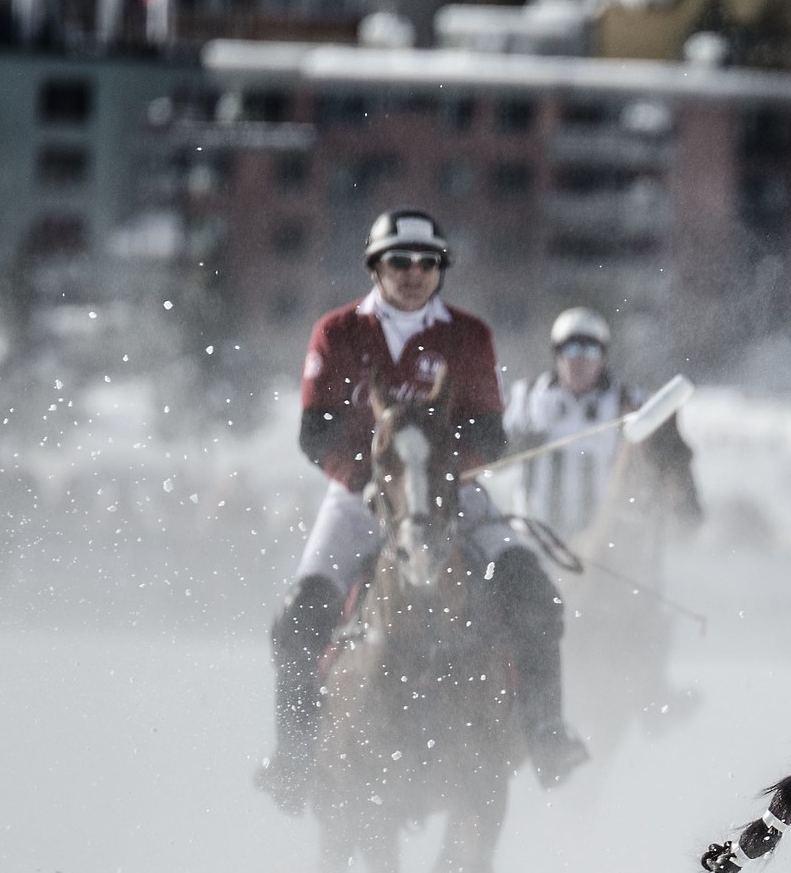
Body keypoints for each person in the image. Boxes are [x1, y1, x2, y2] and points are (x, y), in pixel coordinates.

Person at [255, 209, 588, 813]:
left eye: (427, 263)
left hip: (450, 493)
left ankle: (546, 734)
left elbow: (489, 435)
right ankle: (296, 759)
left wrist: (434, 476)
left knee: (533, 593)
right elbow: (314, 433)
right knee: (298, 618)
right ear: (376, 267)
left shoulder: (469, 335)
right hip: (360, 496)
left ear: (441, 270)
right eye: (400, 262)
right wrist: (368, 481)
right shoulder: (337, 333)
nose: (413, 274)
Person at [503, 306, 702, 538]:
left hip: (606, 546)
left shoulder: (630, 404)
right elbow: (491, 458)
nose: (579, 359)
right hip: (536, 540)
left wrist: (685, 505)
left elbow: (673, 459)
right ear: (557, 353)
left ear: (603, 355)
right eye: (571, 347)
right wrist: (514, 445)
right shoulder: (526, 399)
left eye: (590, 349)